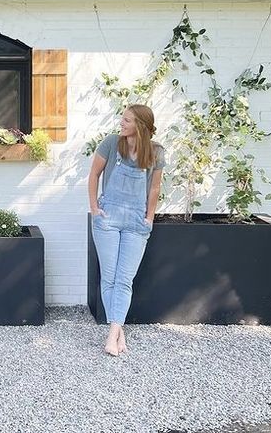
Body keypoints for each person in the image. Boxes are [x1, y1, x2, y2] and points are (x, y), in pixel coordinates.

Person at [88, 104, 165, 356]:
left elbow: (154, 189)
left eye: (127, 120)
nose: (121, 123)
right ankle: (115, 334)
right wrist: (94, 209)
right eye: (122, 118)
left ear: (140, 126)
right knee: (109, 278)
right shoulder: (112, 143)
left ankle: (115, 331)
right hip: (108, 217)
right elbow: (94, 175)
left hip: (136, 222)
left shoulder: (156, 152)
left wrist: (149, 218)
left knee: (124, 279)